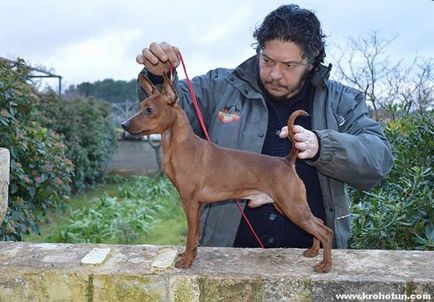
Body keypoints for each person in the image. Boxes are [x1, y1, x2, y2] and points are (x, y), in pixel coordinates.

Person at [135, 4, 393, 249]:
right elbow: (170, 111)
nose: (275, 74)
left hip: (307, 261)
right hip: (230, 257)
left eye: (289, 65)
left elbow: (378, 158)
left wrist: (323, 146)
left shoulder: (343, 102)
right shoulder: (219, 86)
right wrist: (159, 76)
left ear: (312, 63)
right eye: (268, 60)